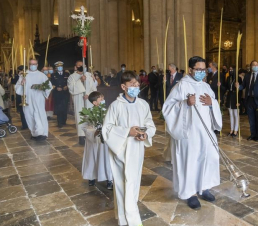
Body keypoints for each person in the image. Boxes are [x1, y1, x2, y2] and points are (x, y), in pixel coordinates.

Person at [163, 56, 222, 210]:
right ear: (190, 70)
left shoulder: (206, 87)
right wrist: (185, 104)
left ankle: (204, 187)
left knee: (208, 158)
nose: (202, 72)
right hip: (189, 134)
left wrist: (212, 104)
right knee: (190, 161)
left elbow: (213, 103)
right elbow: (168, 108)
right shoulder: (181, 86)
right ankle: (190, 193)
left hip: (206, 132)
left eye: (204, 70)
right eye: (198, 69)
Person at [102, 71, 156, 226]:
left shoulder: (143, 104)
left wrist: (145, 135)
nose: (136, 86)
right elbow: (107, 129)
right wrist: (127, 132)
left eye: (137, 84)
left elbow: (150, 125)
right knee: (121, 184)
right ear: (123, 86)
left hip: (137, 149)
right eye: (132, 84)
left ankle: (126, 218)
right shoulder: (115, 106)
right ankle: (131, 220)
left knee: (133, 182)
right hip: (120, 149)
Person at [82, 91, 113, 189]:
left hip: (105, 140)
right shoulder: (88, 113)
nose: (103, 100)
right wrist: (94, 132)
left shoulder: (108, 111)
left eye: (103, 98)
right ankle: (91, 176)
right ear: (94, 102)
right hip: (94, 140)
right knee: (92, 158)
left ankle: (109, 179)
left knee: (107, 159)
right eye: (101, 99)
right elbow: (85, 127)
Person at [15, 58, 53, 141]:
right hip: (28, 99)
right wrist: (22, 84)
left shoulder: (41, 75)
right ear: (29, 65)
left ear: (37, 65)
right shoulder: (24, 75)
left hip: (39, 98)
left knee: (39, 115)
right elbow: (17, 88)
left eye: (34, 64)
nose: (33, 66)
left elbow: (49, 86)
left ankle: (42, 133)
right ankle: (34, 133)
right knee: (29, 115)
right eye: (31, 64)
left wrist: (42, 88)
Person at [236, 60, 258, 141]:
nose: (255, 66)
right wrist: (238, 87)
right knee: (251, 119)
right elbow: (243, 86)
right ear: (251, 67)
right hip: (249, 99)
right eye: (253, 65)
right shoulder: (247, 75)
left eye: (256, 65)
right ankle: (252, 134)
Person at [68, 60, 97, 145]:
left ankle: (91, 135)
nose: (81, 67)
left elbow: (93, 88)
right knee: (80, 117)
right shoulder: (72, 77)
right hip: (79, 100)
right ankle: (81, 137)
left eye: (83, 66)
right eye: (79, 66)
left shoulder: (89, 75)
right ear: (75, 67)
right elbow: (71, 89)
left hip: (89, 100)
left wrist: (89, 95)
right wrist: (80, 80)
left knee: (90, 117)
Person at [50, 61, 70, 128]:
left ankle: (64, 120)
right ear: (56, 68)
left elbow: (69, 82)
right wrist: (56, 88)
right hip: (57, 93)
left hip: (65, 93)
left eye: (61, 66)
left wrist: (67, 86)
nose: (60, 68)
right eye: (58, 67)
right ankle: (59, 122)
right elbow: (51, 84)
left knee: (65, 107)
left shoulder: (67, 74)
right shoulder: (53, 75)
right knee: (58, 107)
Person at [224, 67, 240, 137]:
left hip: (235, 96)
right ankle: (231, 129)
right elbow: (226, 87)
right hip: (230, 96)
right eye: (229, 69)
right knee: (231, 114)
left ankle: (236, 130)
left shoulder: (238, 78)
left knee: (236, 114)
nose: (230, 71)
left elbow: (240, 91)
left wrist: (239, 101)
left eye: (232, 69)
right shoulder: (228, 78)